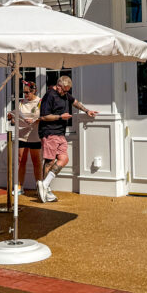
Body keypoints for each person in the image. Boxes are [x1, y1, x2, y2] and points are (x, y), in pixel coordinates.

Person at [36, 75, 96, 203]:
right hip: (49, 133)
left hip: (60, 133)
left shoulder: (65, 95)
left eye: (68, 91)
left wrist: (87, 111)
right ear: (58, 86)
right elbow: (44, 117)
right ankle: (46, 190)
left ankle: (44, 184)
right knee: (49, 161)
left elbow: (75, 102)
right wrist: (60, 117)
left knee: (64, 159)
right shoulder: (49, 96)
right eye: (64, 90)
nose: (66, 93)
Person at [7, 80, 42, 196]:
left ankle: (39, 187)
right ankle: (19, 186)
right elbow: (14, 119)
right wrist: (11, 118)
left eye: (27, 92)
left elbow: (44, 118)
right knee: (20, 160)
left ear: (34, 91)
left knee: (36, 161)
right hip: (21, 134)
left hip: (34, 134)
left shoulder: (40, 102)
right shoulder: (21, 103)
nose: (25, 95)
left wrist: (34, 120)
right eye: (24, 92)